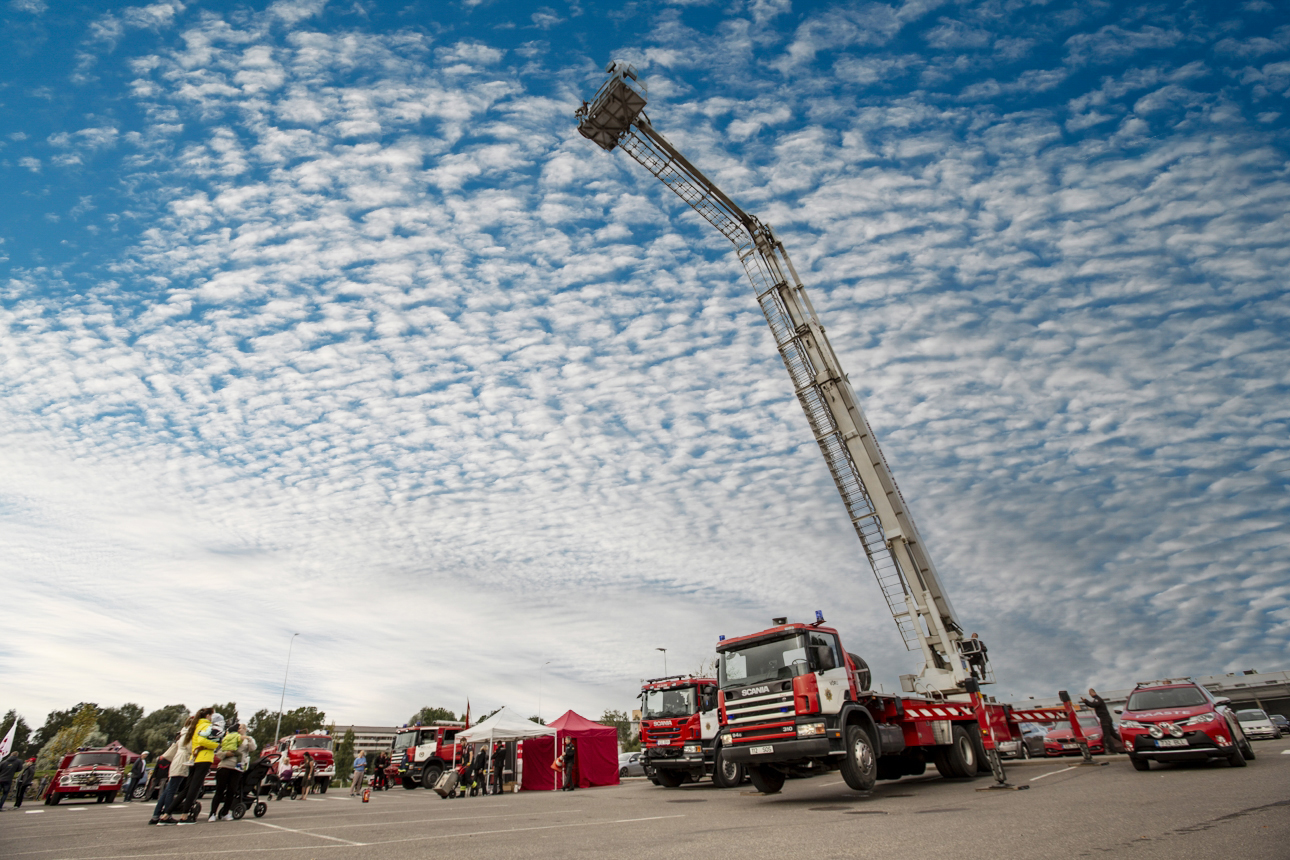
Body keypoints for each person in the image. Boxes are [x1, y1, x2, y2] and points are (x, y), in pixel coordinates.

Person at [172, 707, 219, 821]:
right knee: (194, 788)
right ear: (208, 716)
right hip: (204, 757)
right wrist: (216, 745)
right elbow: (203, 741)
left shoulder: (196, 725)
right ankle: (184, 816)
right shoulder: (207, 725)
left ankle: (166, 813)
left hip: (195, 758)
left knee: (187, 788)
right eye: (212, 715)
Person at [153, 716, 196, 825]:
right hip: (182, 761)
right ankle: (167, 814)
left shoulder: (181, 734)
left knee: (169, 789)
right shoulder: (188, 735)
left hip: (176, 760)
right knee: (172, 789)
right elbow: (191, 749)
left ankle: (156, 814)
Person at [210, 722, 249, 821]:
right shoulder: (227, 738)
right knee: (219, 791)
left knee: (231, 792)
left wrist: (246, 738)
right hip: (225, 766)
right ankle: (212, 813)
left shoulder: (245, 740)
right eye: (238, 728)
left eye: (241, 728)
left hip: (236, 769)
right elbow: (219, 753)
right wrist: (226, 754)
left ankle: (225, 813)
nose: (240, 729)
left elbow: (252, 748)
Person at [1080, 688, 1126, 754]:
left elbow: (1093, 705)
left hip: (1104, 719)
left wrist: (1085, 701)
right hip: (1107, 718)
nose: (1090, 694)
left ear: (1094, 693)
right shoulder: (1096, 699)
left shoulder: (1097, 699)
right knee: (1113, 734)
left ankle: (1112, 750)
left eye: (1091, 693)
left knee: (1107, 735)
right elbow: (1093, 705)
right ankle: (1125, 743)